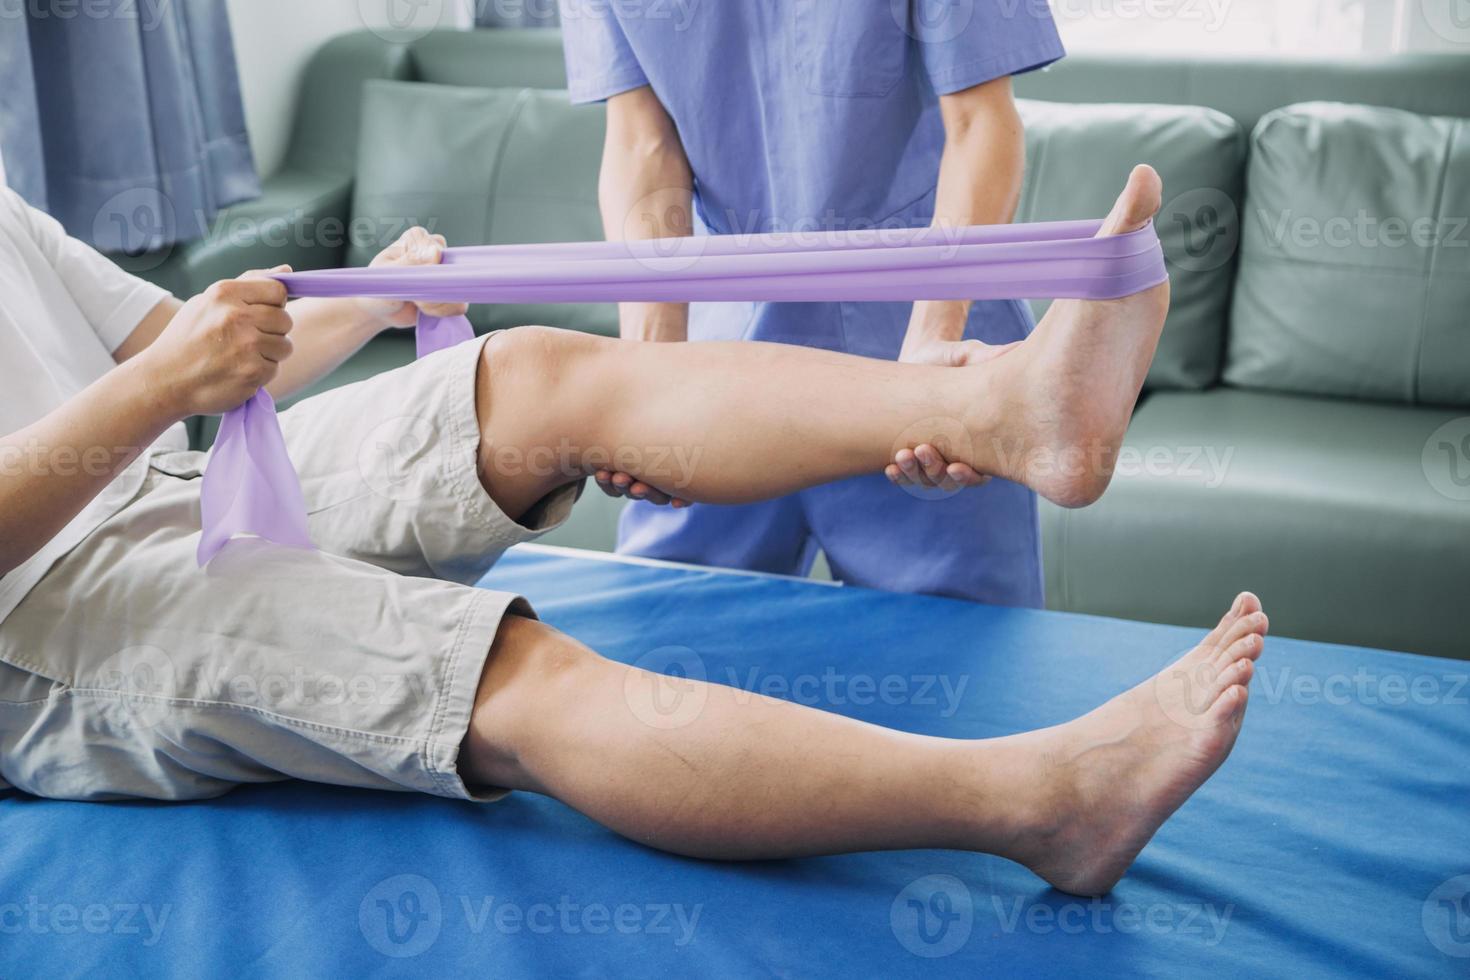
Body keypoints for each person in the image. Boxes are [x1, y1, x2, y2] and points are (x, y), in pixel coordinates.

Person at [0, 169, 1268, 897]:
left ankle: (1007, 409)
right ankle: (1044, 803)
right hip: (35, 612)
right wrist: (167, 389)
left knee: (541, 374)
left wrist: (372, 301)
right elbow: (159, 384)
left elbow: (167, 353)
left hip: (165, 474)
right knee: (500, 668)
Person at [560, 1, 1066, 604]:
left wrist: (932, 343)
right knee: (666, 642)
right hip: (719, 361)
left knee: (959, 661)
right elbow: (643, 142)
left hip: (916, 328)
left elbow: (979, 123)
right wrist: (647, 376)